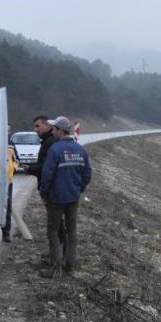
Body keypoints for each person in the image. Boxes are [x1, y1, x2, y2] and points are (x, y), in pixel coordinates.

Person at [38, 116, 92, 277]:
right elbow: (87, 174)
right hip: (73, 197)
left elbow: (47, 174)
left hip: (56, 198)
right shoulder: (80, 149)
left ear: (61, 131)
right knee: (72, 231)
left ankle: (56, 269)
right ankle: (70, 266)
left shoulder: (55, 149)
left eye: (54, 129)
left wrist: (43, 192)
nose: (52, 131)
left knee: (53, 231)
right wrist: (78, 189)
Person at [23, 115, 66, 264]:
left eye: (37, 126)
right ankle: (59, 254)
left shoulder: (49, 143)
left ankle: (58, 257)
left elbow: (46, 168)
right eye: (34, 126)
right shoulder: (48, 141)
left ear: (48, 126)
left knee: (55, 226)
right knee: (58, 224)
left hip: (52, 190)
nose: (35, 130)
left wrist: (28, 169)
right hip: (54, 189)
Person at [3, 140, 21, 242]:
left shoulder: (11, 144)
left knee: (7, 207)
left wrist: (13, 169)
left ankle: (6, 233)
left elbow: (17, 160)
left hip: (8, 181)